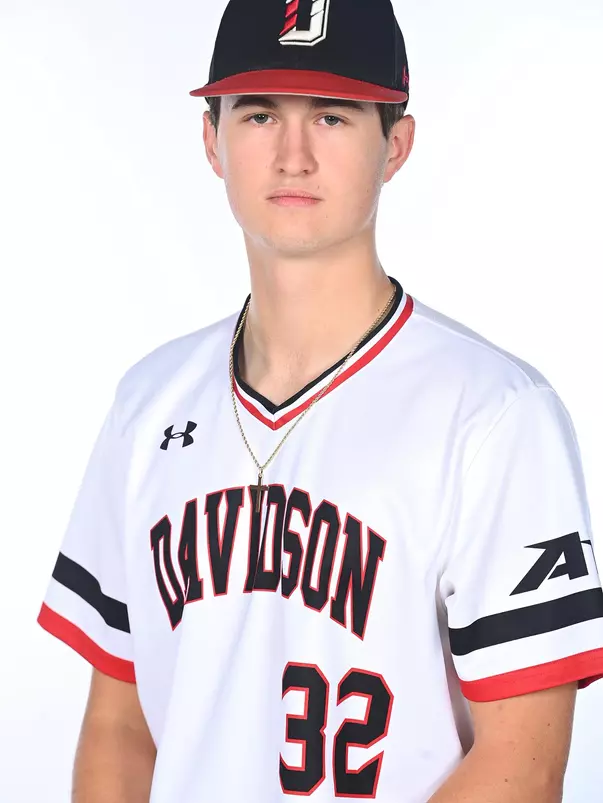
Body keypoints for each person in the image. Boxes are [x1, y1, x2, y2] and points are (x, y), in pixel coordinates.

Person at [37, 1, 603, 801]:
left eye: (332, 116)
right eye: (259, 113)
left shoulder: (494, 414)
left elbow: (522, 765)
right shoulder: (148, 403)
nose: (292, 154)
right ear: (212, 139)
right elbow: (118, 730)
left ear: (394, 145)